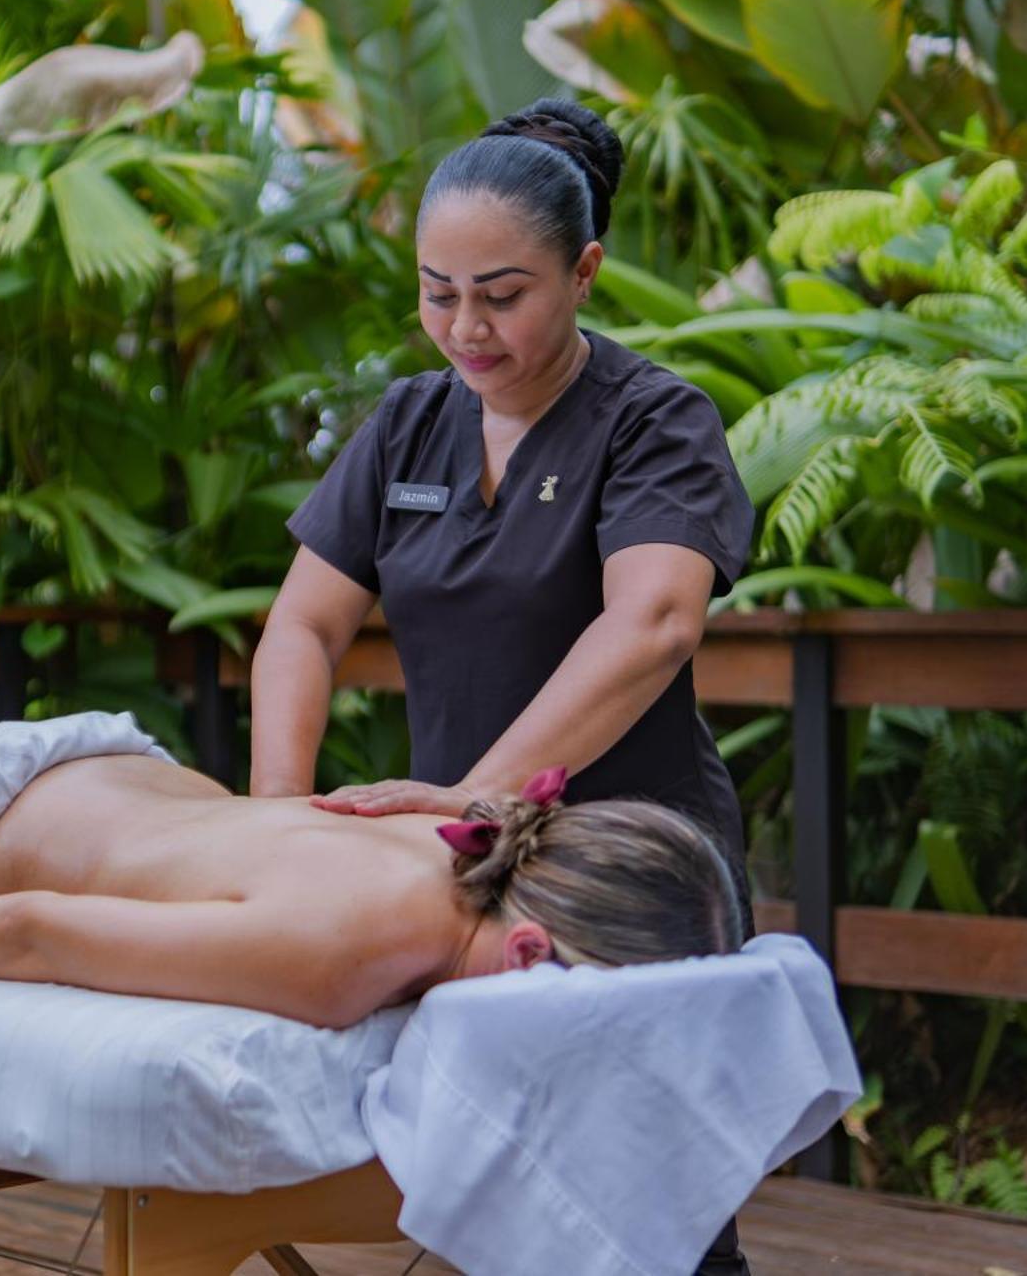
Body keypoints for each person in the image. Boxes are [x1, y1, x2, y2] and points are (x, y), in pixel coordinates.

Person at [248, 98, 759, 1270]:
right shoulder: (407, 424)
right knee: (500, 1184)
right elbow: (301, 625)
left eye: (501, 293)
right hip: (466, 863)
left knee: (654, 1206)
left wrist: (474, 800)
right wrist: (273, 817)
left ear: (583, 271)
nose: (464, 327)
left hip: (623, 860)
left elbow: (653, 622)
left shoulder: (654, 421)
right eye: (437, 292)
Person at [0, 755, 743, 1030]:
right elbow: (32, 931)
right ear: (531, 955)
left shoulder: (471, 835)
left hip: (109, 765)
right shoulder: (342, 957)